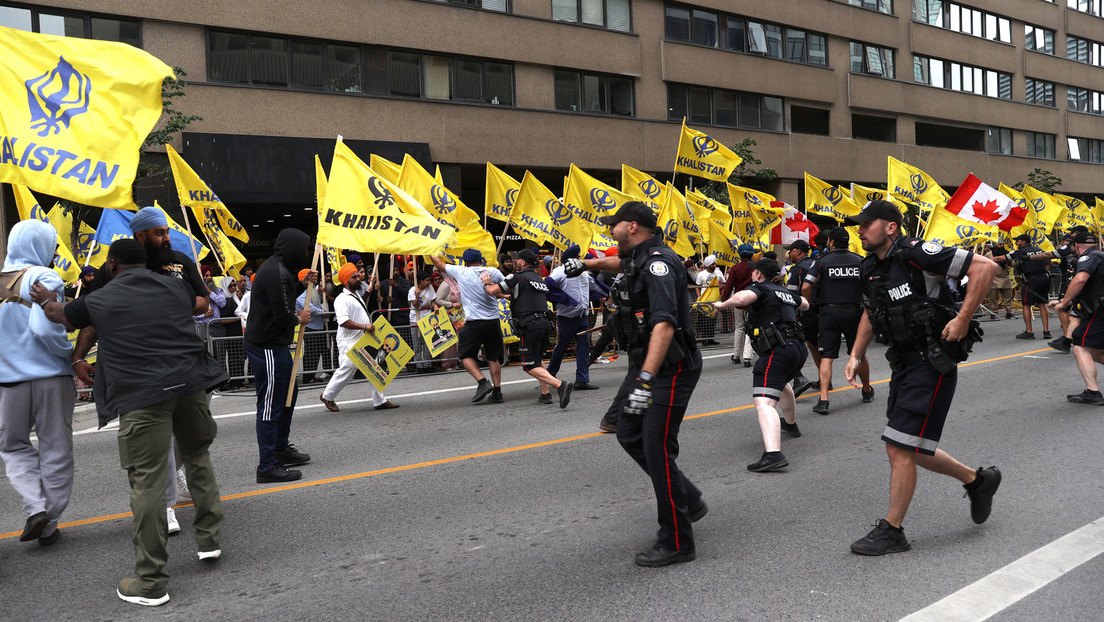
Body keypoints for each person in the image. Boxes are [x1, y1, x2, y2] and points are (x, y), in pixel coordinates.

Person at [33, 238, 226, 606]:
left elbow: (59, 314)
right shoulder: (175, 285)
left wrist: (43, 298)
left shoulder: (100, 299)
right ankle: (209, 542)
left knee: (149, 481)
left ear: (111, 265)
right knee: (198, 458)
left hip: (144, 396)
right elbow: (196, 305)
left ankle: (151, 582)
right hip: (190, 385)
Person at [843, 200, 1001, 556]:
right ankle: (979, 482)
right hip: (903, 364)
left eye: (867, 223)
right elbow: (871, 314)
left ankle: (892, 530)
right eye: (859, 224)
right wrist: (855, 354)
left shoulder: (916, 253)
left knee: (898, 446)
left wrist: (962, 318)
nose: (860, 229)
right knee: (911, 445)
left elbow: (985, 267)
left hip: (932, 361)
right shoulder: (870, 267)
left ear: (891, 227)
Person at [563, 201, 705, 567]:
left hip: (668, 368)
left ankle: (678, 540)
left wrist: (644, 379)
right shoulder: (639, 257)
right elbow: (618, 264)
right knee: (628, 433)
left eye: (613, 225)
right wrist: (587, 264)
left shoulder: (659, 263)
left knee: (657, 450)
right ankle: (688, 498)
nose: (609, 231)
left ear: (631, 226)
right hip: (648, 366)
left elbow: (664, 325)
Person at [0, 220, 76, 547]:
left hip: (8, 382)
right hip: (50, 377)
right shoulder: (44, 277)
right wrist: (69, 353)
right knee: (55, 446)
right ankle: (48, 523)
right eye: (53, 243)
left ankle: (35, 507)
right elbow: (45, 329)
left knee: (14, 446)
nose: (57, 251)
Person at [715, 258, 808, 470]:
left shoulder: (760, 289)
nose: (752, 274)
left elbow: (744, 297)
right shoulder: (782, 290)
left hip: (779, 350)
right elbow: (805, 304)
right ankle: (791, 426)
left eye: (754, 272)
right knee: (782, 383)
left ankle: (773, 455)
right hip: (797, 350)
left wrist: (724, 304)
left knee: (764, 402)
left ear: (758, 274)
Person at [244, 228, 316, 484]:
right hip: (268, 347)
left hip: (275, 346)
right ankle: (267, 465)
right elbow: (283, 316)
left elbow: (282, 299)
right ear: (292, 247)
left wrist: (302, 283)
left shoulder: (279, 271)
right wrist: (300, 318)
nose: (306, 253)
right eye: (304, 247)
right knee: (271, 404)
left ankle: (280, 448)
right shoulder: (276, 273)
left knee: (288, 396)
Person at [481, 249, 574, 407]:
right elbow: (520, 295)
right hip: (544, 323)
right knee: (537, 359)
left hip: (530, 324)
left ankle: (560, 385)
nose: (515, 262)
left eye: (516, 260)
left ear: (522, 262)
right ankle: (545, 394)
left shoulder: (516, 277)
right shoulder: (538, 278)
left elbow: (491, 291)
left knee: (529, 365)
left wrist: (486, 281)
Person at [801, 227, 874, 415]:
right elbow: (870, 287)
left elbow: (806, 286)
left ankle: (824, 400)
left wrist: (808, 305)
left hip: (828, 313)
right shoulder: (860, 261)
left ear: (831, 242)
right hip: (854, 314)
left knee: (826, 356)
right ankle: (866, 390)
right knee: (859, 354)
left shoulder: (821, 262)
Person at [430, 250, 507, 404]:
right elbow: (506, 286)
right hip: (493, 321)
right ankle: (497, 392)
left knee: (465, 355)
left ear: (465, 261)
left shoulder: (461, 271)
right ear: (481, 259)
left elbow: (438, 264)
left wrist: (430, 249)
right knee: (493, 357)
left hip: (474, 322)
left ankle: (483, 382)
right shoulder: (492, 271)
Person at [319, 263, 399, 412]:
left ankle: (379, 400)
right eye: (354, 277)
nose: (358, 279)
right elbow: (343, 322)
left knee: (373, 367)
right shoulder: (341, 299)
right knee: (348, 368)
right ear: (345, 280)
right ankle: (327, 396)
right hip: (348, 341)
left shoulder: (356, 296)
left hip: (361, 340)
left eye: (358, 276)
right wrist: (364, 327)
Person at [1048, 231, 1104, 404]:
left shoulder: (1088, 258)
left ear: (1076, 246)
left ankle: (1093, 393)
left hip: (1099, 310)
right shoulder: (1101, 256)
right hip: (1097, 307)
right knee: (1097, 351)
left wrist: (1064, 302)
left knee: (1081, 347)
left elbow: (1080, 279)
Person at [547, 245, 600, 390]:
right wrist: (564, 299)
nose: (580, 259)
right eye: (577, 257)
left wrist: (608, 294)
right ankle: (549, 377)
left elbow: (595, 286)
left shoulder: (583, 272)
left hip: (582, 316)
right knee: (562, 347)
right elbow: (547, 285)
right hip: (567, 318)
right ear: (571, 258)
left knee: (583, 348)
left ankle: (582, 380)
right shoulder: (560, 272)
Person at [993, 233, 1052, 339]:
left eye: (1017, 241)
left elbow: (1000, 259)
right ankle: (1046, 331)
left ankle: (1029, 332)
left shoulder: (1019, 252)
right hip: (1044, 279)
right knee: (1042, 304)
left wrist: (978, 259)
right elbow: (1049, 261)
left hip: (1031, 280)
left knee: (1026, 305)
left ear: (1023, 242)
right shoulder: (1039, 249)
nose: (1016, 243)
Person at [784, 240, 818, 397]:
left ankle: (798, 378)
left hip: (803, 314)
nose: (789, 254)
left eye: (790, 250)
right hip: (820, 311)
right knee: (815, 345)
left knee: (789, 346)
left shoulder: (797, 269)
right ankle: (825, 379)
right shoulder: (816, 265)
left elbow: (790, 296)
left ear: (797, 251)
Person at [721, 244, 757, 366]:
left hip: (739, 301)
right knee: (750, 328)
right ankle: (747, 357)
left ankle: (736, 355)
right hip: (753, 300)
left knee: (739, 328)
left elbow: (728, 286)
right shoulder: (757, 267)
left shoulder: (735, 268)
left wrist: (724, 300)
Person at [295, 268, 329, 383]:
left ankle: (312, 375)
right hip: (310, 328)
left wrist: (322, 294)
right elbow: (310, 309)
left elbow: (319, 303)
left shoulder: (314, 292)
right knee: (311, 353)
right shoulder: (301, 295)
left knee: (317, 352)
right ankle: (308, 377)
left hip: (319, 327)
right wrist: (324, 313)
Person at [408, 270, 437, 373]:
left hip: (427, 318)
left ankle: (427, 364)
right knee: (417, 343)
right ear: (420, 281)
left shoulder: (430, 288)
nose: (429, 282)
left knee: (428, 343)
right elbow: (415, 305)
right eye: (427, 280)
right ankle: (419, 365)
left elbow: (433, 301)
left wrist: (435, 306)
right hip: (416, 318)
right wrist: (417, 295)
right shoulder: (412, 290)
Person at [694, 254, 724, 346]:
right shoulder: (701, 274)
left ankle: (711, 338)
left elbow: (724, 283)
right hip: (704, 300)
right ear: (708, 265)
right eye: (713, 264)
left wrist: (720, 295)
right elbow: (697, 287)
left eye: (715, 264)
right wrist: (699, 297)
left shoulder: (718, 273)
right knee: (704, 320)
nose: (715, 266)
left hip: (714, 300)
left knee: (713, 320)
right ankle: (704, 339)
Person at [982, 242, 1015, 320]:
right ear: (995, 244)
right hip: (994, 278)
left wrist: (1014, 261)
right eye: (1000, 244)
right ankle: (994, 313)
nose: (1002, 246)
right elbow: (983, 264)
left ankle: (1009, 313)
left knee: (1008, 297)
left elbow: (1012, 264)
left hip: (1005, 277)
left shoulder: (1006, 253)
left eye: (1003, 244)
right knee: (993, 297)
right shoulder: (989, 254)